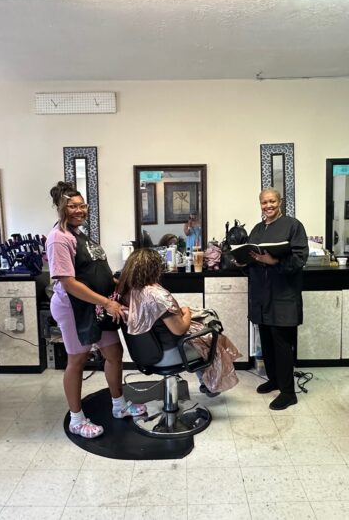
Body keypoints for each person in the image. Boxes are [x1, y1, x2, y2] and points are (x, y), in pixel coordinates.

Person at [46, 182, 146, 439]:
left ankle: (119, 406)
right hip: (74, 308)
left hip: (96, 305)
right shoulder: (59, 238)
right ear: (61, 208)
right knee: (77, 361)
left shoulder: (80, 235)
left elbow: (95, 271)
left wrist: (123, 286)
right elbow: (68, 282)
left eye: (82, 205)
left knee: (114, 352)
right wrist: (106, 302)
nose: (79, 210)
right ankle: (77, 420)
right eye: (73, 206)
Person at [117, 248, 242, 394]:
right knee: (212, 336)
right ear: (154, 268)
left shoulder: (126, 292)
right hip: (168, 352)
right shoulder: (156, 295)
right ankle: (210, 384)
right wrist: (187, 312)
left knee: (201, 334)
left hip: (144, 353)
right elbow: (180, 329)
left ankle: (205, 382)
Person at [244, 187, 309, 410]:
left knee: (282, 344)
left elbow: (300, 259)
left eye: (272, 202)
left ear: (280, 202)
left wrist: (275, 262)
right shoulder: (257, 229)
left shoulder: (293, 226)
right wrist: (244, 262)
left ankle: (288, 392)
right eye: (264, 202)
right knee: (267, 342)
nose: (268, 206)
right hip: (261, 296)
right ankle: (274, 379)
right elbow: (253, 258)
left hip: (283, 296)